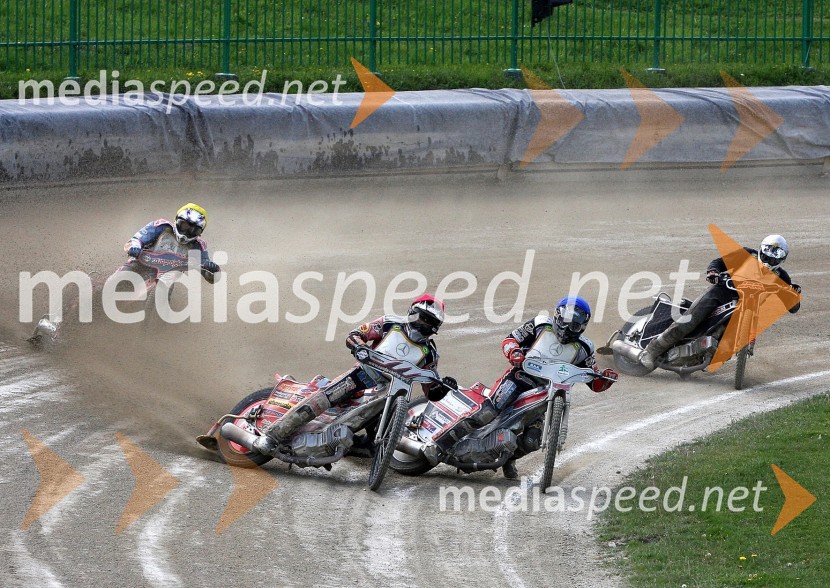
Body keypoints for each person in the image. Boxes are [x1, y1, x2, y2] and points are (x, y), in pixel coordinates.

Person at [434, 296, 617, 480]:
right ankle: (441, 442)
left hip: (547, 393)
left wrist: (606, 378)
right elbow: (511, 339)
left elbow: (594, 380)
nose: (569, 327)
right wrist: (514, 352)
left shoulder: (585, 347)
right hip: (519, 379)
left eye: (575, 325)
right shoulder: (541, 324)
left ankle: (508, 459)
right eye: (566, 321)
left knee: (532, 441)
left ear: (583, 326)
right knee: (487, 412)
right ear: (557, 315)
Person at [254, 294, 454, 455]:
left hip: (389, 392)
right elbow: (355, 335)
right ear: (412, 312)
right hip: (362, 375)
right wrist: (359, 346)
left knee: (369, 424)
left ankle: (351, 443)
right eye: (422, 318)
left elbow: (430, 391)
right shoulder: (389, 323)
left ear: (435, 328)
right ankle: (272, 435)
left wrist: (442, 387)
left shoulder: (430, 353)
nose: (423, 325)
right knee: (322, 399)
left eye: (429, 323)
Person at [639, 234, 801, 370]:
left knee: (728, 344)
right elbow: (718, 262)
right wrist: (713, 272)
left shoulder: (781, 276)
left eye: (774, 259)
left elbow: (793, 308)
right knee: (689, 321)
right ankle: (651, 351)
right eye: (767, 256)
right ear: (761, 250)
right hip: (720, 294)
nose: (769, 261)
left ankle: (697, 356)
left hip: (746, 308)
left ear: (781, 260)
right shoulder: (747, 255)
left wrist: (793, 295)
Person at [124, 202, 221, 284]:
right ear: (176, 220)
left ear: (200, 232)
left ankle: (160, 299)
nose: (186, 232)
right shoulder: (161, 226)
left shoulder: (198, 245)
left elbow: (206, 268)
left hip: (168, 275)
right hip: (142, 262)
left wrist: (213, 269)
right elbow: (137, 239)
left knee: (168, 282)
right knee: (123, 275)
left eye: (193, 230)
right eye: (184, 226)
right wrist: (134, 247)